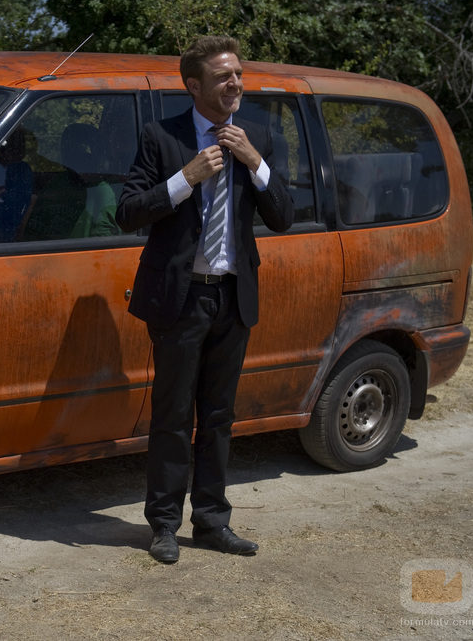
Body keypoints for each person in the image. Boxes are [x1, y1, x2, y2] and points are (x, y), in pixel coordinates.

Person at [116, 35, 294, 564]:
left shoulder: (258, 136)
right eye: (223, 77)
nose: (235, 83)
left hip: (232, 297)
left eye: (238, 74)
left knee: (218, 417)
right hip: (180, 299)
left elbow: (283, 216)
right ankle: (164, 525)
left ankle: (213, 521)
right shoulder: (161, 136)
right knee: (172, 416)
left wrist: (255, 161)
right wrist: (186, 178)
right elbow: (128, 212)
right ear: (194, 86)